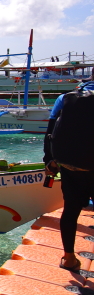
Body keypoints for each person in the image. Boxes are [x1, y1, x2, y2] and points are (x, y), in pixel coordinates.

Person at [43, 76, 94, 271]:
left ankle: (69, 258)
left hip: (69, 164)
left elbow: (50, 132)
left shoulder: (64, 98)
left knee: (71, 211)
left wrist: (49, 161)